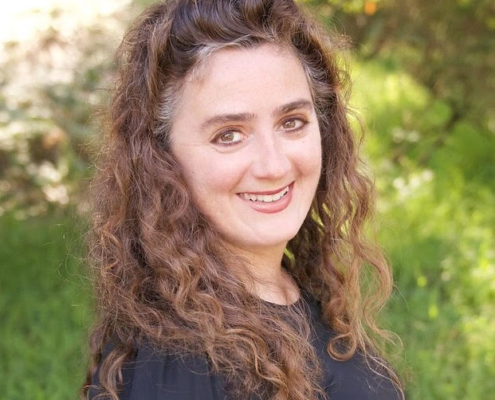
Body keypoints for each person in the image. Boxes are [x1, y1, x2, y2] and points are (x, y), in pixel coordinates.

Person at [82, 0, 405, 399]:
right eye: (229, 135)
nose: (274, 165)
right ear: (160, 159)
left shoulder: (286, 289)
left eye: (292, 122)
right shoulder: (182, 367)